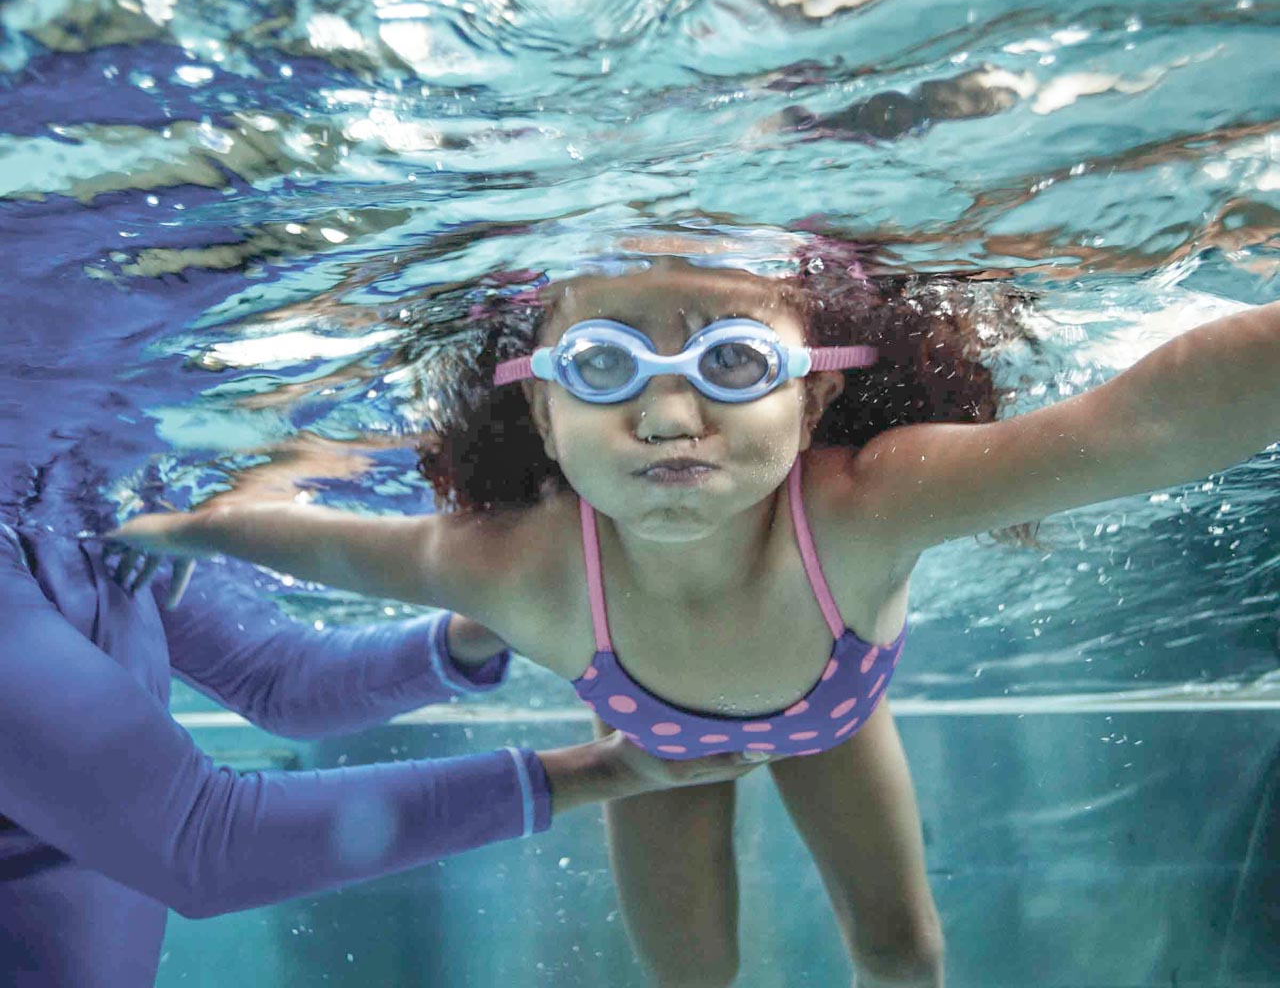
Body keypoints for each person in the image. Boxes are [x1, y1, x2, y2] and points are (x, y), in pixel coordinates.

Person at [117, 238, 1280, 988]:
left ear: (813, 386)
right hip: (652, 753)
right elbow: (340, 545)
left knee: (900, 948)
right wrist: (186, 526)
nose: (669, 416)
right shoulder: (525, 565)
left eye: (729, 363)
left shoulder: (864, 506)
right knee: (690, 979)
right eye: (602, 366)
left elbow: (1138, 426)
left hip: (829, 722)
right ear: (536, 415)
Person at [0, 443, 769, 988]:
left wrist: (504, 618)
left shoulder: (76, 499)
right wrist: (601, 769)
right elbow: (202, 841)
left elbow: (280, 679)